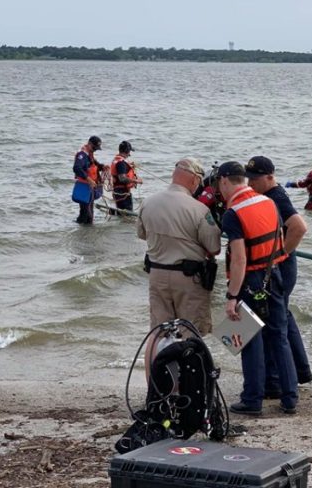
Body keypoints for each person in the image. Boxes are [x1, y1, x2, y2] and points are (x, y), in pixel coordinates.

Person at [217, 161, 299, 416]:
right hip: (273, 274)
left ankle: (252, 399)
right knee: (279, 336)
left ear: (224, 182)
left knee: (248, 338)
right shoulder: (269, 202)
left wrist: (231, 296)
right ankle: (290, 398)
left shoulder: (233, 214)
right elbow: (280, 239)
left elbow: (240, 259)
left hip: (251, 280)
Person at [136, 158, 221, 376]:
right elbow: (214, 247)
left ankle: (154, 389)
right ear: (195, 180)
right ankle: (190, 390)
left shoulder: (148, 202)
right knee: (190, 332)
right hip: (188, 279)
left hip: (156, 273)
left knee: (157, 332)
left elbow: (141, 234)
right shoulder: (199, 209)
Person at [245, 156, 312, 394]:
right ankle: (300, 371)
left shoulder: (276, 197)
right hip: (281, 263)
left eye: (256, 179)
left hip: (281, 265)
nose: (251, 183)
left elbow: (299, 227)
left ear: (270, 177)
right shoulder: (266, 196)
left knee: (272, 321)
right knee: (282, 314)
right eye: (248, 178)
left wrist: (278, 255)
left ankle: (274, 381)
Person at [73, 135, 106, 224]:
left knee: (89, 213)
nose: (95, 150)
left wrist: (102, 167)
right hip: (84, 187)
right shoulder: (81, 155)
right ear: (89, 144)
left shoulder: (89, 154)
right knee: (86, 214)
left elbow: (94, 164)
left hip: (90, 187)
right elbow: (77, 168)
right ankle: (83, 234)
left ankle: (85, 234)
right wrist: (88, 179)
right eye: (94, 148)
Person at [110, 140, 142, 213]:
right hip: (122, 193)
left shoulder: (116, 160)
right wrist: (136, 181)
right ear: (127, 151)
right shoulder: (121, 163)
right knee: (127, 216)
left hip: (117, 192)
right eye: (129, 151)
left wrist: (128, 166)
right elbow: (122, 178)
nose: (129, 154)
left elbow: (120, 171)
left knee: (121, 214)